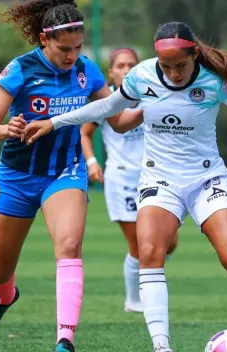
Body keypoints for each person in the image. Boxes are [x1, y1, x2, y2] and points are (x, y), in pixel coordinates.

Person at [24, 21, 227, 352]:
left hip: (207, 179)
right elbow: (105, 108)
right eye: (166, 66)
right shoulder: (142, 76)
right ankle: (162, 346)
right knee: (149, 253)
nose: (173, 74)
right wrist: (54, 122)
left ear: (195, 55)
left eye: (181, 66)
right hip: (159, 179)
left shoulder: (214, 81)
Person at [0, 1, 140, 351]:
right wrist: (8, 128)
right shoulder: (19, 69)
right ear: (43, 39)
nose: (72, 56)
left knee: (69, 244)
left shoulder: (88, 71)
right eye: (64, 49)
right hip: (16, 177)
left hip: (65, 172)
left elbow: (120, 122)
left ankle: (65, 339)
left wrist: (157, 103)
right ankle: (5, 298)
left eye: (78, 48)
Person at [81, 48, 178, 313]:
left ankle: (148, 271)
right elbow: (85, 132)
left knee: (170, 242)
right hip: (122, 178)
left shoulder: (150, 92)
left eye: (131, 65)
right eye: (120, 65)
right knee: (139, 244)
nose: (125, 69)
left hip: (156, 178)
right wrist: (92, 162)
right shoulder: (107, 100)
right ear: (110, 71)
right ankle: (134, 300)